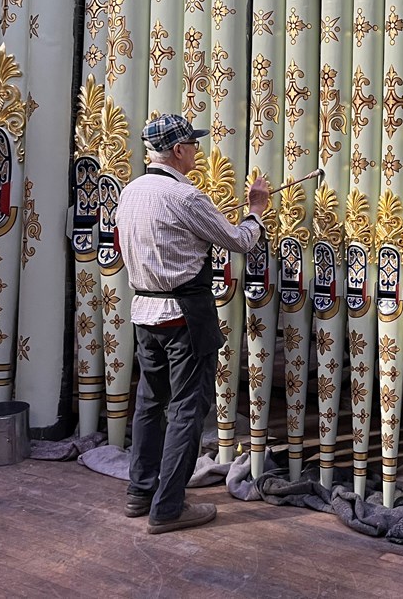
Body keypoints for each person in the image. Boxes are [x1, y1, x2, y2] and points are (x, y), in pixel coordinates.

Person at [117, 113, 269, 534]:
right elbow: (239, 241)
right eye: (193, 145)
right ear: (179, 150)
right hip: (184, 316)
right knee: (187, 408)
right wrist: (255, 210)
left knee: (150, 403)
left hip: (145, 314)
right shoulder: (186, 198)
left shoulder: (130, 193)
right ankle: (168, 507)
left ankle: (139, 491)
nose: (198, 151)